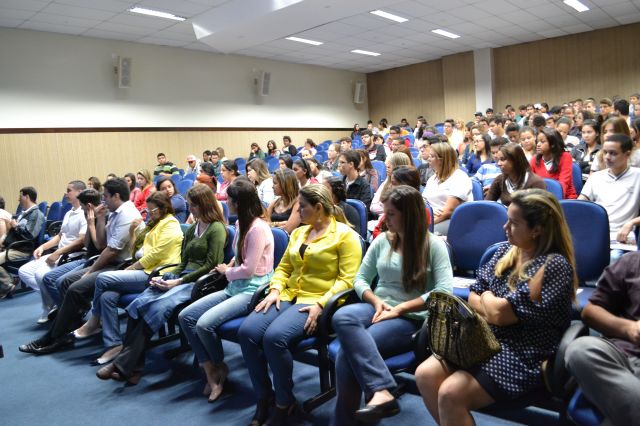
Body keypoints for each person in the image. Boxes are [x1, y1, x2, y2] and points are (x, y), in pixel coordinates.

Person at [416, 188, 577, 426]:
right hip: (483, 338)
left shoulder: (554, 266)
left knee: (451, 394)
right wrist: (490, 302)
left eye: (514, 223)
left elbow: (500, 314)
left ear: (537, 229)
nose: (505, 227)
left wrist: (487, 299)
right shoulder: (504, 251)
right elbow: (474, 295)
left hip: (525, 352)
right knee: (425, 375)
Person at [238, 184, 362, 426]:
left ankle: (284, 402)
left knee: (274, 339)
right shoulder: (299, 233)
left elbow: (347, 280)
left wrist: (321, 303)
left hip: (316, 301)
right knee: (247, 332)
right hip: (288, 294)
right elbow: (284, 268)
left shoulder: (345, 235)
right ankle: (264, 396)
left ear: (318, 208)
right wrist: (275, 289)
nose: (297, 212)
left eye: (301, 207)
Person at [332, 186, 453, 425]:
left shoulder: (434, 245)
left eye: (391, 214)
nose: (384, 219)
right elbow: (360, 279)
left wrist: (399, 309)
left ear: (409, 215)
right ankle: (382, 391)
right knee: (342, 316)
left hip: (410, 318)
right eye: (384, 213)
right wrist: (375, 301)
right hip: (378, 307)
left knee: (346, 356)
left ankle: (357, 412)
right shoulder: (382, 240)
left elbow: (443, 292)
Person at [96, 184, 227, 384]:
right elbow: (183, 262)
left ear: (204, 204)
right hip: (181, 276)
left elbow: (211, 265)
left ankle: (122, 365)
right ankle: (133, 368)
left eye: (193, 205)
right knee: (139, 303)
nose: (190, 209)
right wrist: (167, 277)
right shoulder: (193, 228)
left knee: (156, 307)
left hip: (200, 283)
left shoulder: (216, 228)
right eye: (190, 205)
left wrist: (179, 281)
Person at [19, 178, 142, 355]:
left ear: (116, 196)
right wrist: (100, 219)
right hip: (108, 261)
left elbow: (111, 251)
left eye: (106, 196)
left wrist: (90, 271)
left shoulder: (127, 214)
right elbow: (101, 244)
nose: (104, 200)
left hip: (121, 266)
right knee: (64, 282)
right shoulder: (114, 213)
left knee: (75, 288)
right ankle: (69, 328)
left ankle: (54, 337)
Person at [178, 179, 274, 401]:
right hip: (236, 285)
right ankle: (212, 369)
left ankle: (219, 366)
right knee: (186, 317)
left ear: (238, 203)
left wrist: (226, 271)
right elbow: (241, 257)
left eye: (229, 199)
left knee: (203, 325)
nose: (225, 202)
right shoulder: (241, 223)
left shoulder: (258, 229)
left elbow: (249, 270)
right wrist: (230, 265)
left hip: (252, 289)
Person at [74, 191, 183, 363]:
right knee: (107, 296)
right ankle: (114, 345)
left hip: (156, 273)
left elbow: (155, 255)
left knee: (102, 278)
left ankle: (94, 320)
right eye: (148, 210)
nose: (149, 214)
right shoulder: (153, 224)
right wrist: (132, 232)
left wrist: (130, 268)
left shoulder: (171, 224)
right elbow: (136, 251)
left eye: (153, 210)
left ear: (164, 208)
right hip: (141, 269)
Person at [564, 251, 640, 426]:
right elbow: (591, 312)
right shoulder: (631, 262)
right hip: (622, 357)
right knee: (580, 350)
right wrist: (630, 329)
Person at [18, 181, 87, 323]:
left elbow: (81, 241)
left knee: (40, 275)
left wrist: (58, 252)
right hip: (60, 253)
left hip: (72, 255)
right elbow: (60, 236)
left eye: (69, 190)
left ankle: (49, 306)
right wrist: (42, 247)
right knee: (24, 271)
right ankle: (54, 299)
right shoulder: (69, 213)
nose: (66, 193)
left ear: (79, 193)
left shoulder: (84, 213)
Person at [579, 134, 640, 246]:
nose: (607, 157)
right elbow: (580, 204)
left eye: (613, 153)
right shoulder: (596, 177)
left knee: (614, 255)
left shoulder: (637, 176)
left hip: (622, 236)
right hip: (595, 232)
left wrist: (632, 223)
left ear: (627, 154)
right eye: (605, 152)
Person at [0, 186, 46, 297]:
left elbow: (30, 235)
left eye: (20, 196)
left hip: (22, 249)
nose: (18, 199)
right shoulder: (24, 213)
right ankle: (9, 281)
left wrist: (15, 226)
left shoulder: (36, 214)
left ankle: (8, 284)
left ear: (27, 197)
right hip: (14, 247)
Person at [422, 142, 473, 235]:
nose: (428, 159)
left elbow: (449, 211)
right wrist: (430, 211)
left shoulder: (460, 177)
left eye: (432, 156)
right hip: (432, 216)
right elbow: (423, 201)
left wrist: (424, 225)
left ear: (442, 160)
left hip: (451, 220)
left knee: (418, 233)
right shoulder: (433, 178)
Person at [530, 128, 577, 199]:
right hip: (542, 199)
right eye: (537, 141)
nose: (538, 144)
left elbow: (563, 184)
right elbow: (530, 183)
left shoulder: (565, 157)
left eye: (542, 142)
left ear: (553, 145)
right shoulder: (534, 159)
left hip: (565, 199)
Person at [370, 153, 413, 218]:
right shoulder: (387, 181)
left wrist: (385, 210)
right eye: (387, 164)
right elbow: (373, 206)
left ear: (399, 167)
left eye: (391, 164)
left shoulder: (407, 189)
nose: (387, 167)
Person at [266, 168, 301, 234]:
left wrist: (271, 225)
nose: (272, 186)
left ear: (285, 184)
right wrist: (277, 224)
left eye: (275, 183)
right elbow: (263, 226)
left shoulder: (299, 203)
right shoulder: (274, 203)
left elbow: (287, 230)